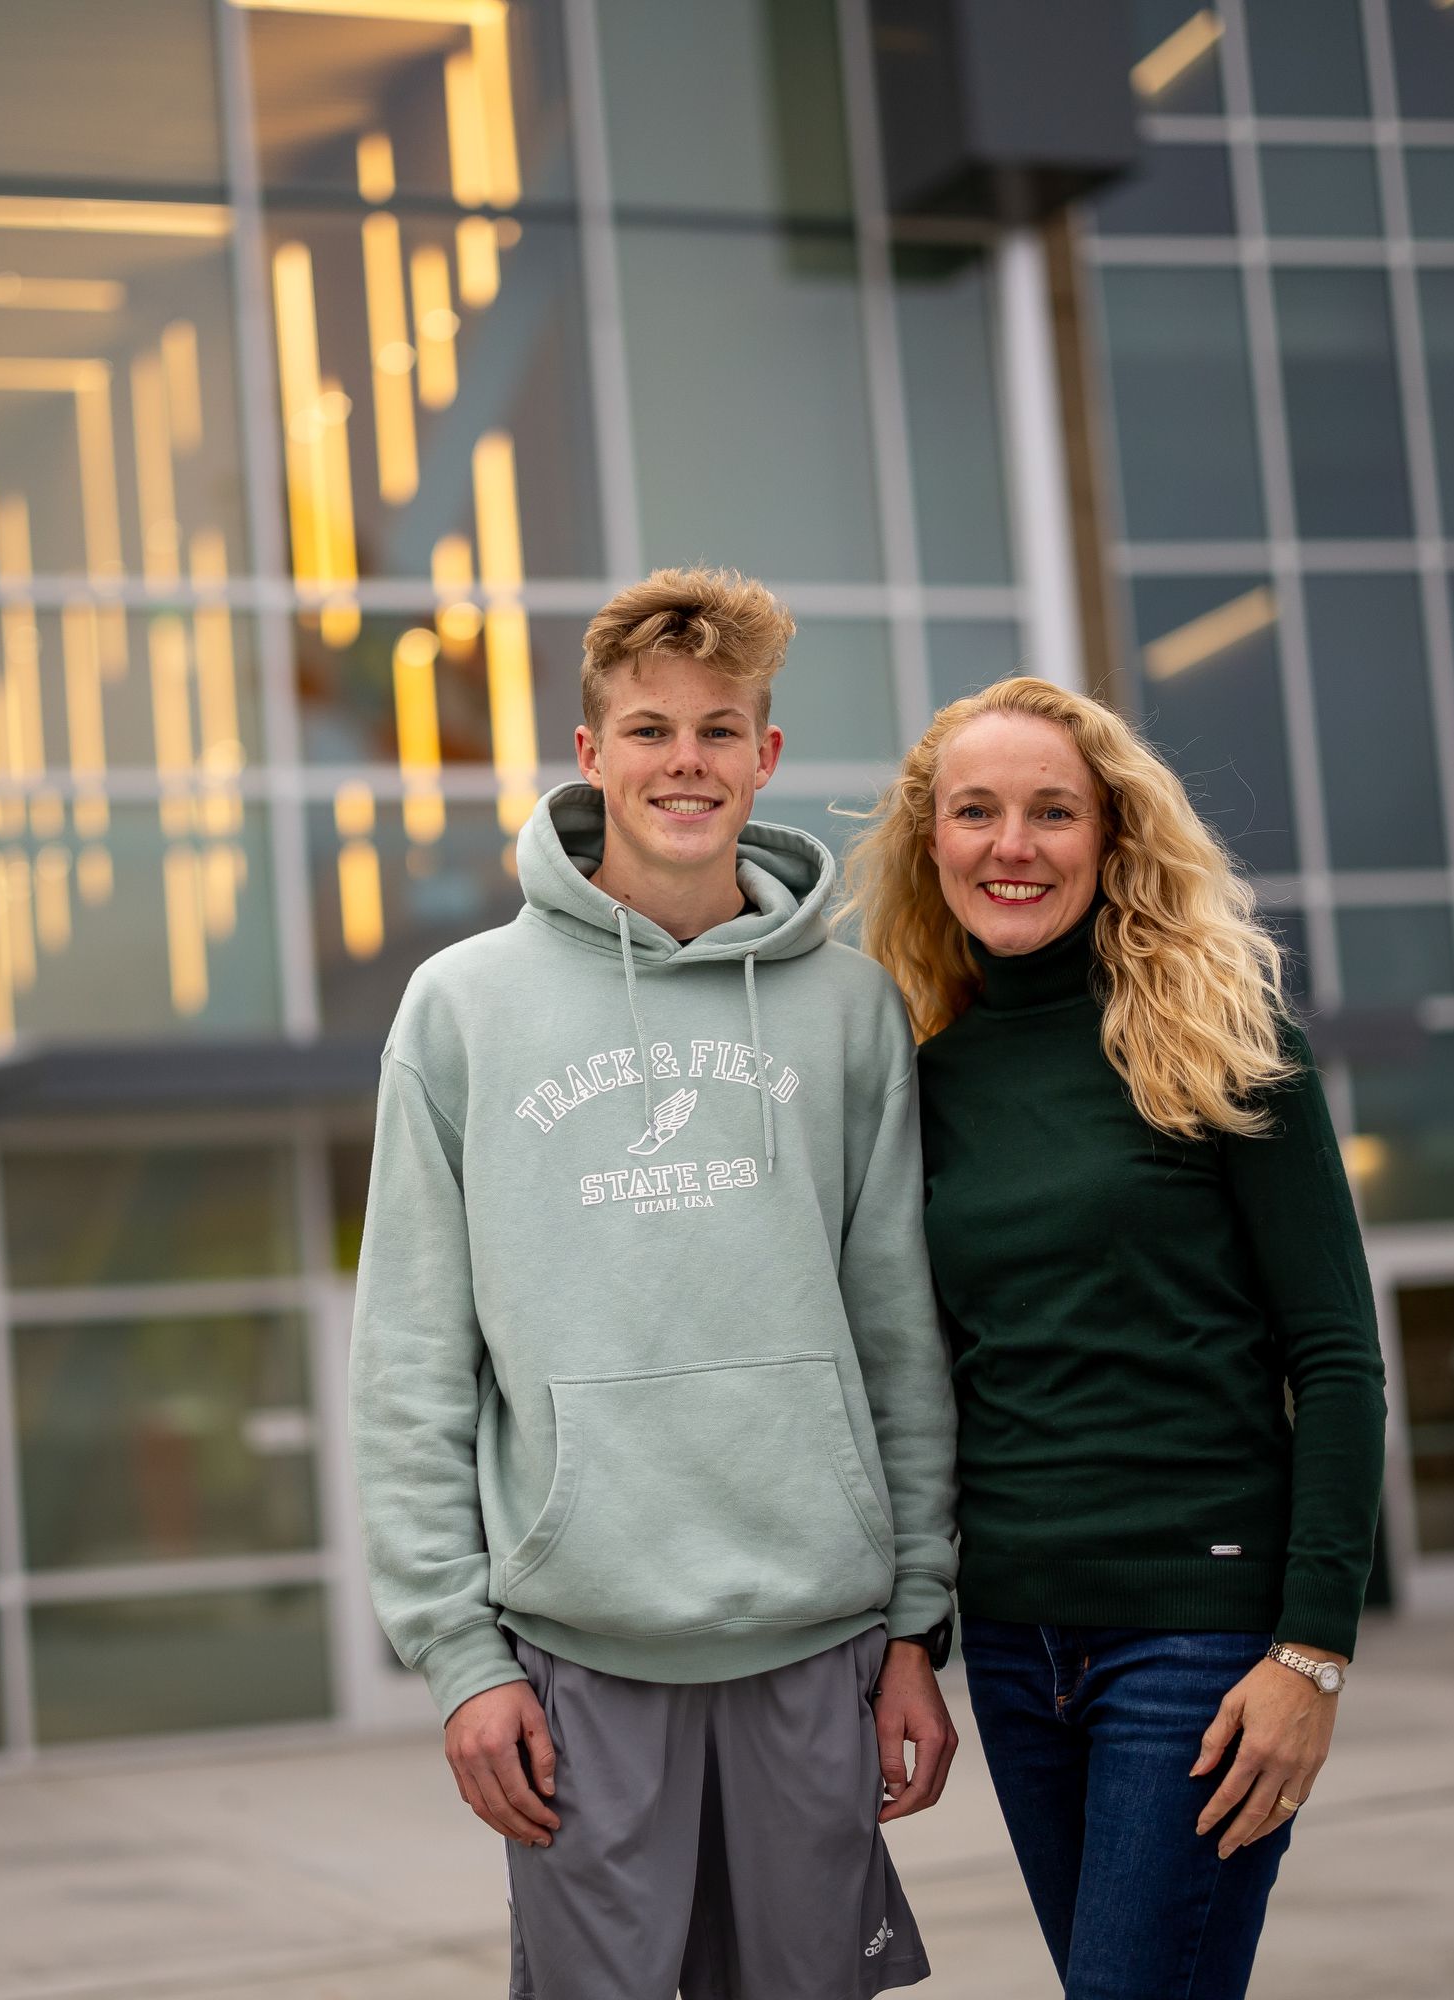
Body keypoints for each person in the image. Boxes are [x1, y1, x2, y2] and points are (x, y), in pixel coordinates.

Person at [349, 568, 961, 2000]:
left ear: (766, 756)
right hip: (577, 1655)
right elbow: (411, 1367)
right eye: (648, 729)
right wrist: (460, 1656)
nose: (683, 759)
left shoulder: (849, 1007)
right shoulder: (462, 1009)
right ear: (590, 756)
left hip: (818, 1646)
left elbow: (901, 1342)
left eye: (717, 727)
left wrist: (917, 1630)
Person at [843, 675, 1387, 2000]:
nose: (1011, 845)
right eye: (976, 812)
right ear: (931, 843)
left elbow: (1338, 1359)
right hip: (1023, 1643)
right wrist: (915, 1634)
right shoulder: (921, 1073)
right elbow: (916, 1380)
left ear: (1111, 835)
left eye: (1051, 812)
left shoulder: (1215, 1040)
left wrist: (1310, 1654)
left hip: (1195, 1639)